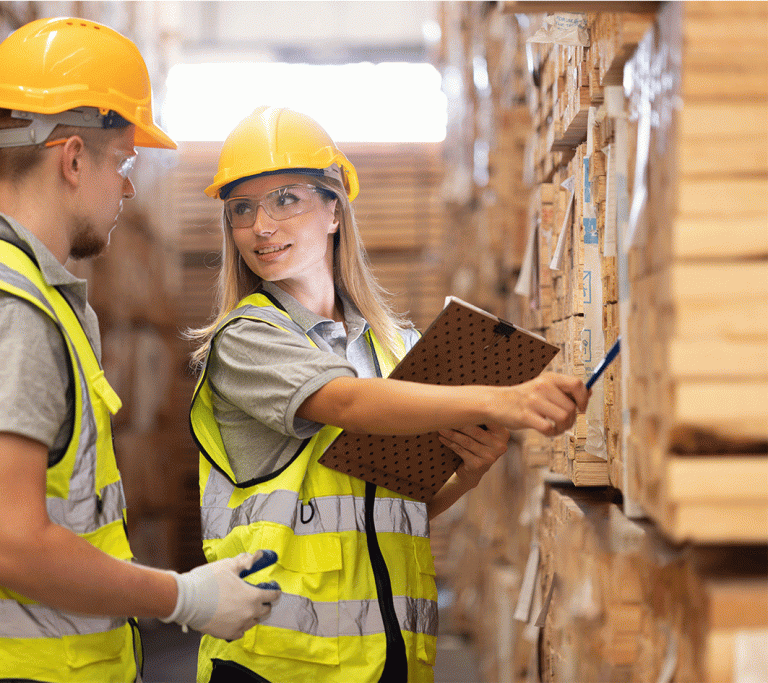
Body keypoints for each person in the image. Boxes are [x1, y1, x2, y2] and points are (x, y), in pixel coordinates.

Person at [188, 105, 590, 683]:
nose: (261, 226)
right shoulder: (246, 338)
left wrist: (466, 475)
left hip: (387, 658)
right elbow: (346, 402)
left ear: (334, 210)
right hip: (277, 665)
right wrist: (497, 400)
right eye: (241, 210)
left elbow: (391, 510)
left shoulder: (395, 347)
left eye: (285, 200)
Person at [0, 18, 280, 683]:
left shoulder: (32, 295)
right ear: (72, 159)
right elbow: (11, 539)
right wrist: (185, 597)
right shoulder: (19, 311)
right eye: (123, 162)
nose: (128, 187)